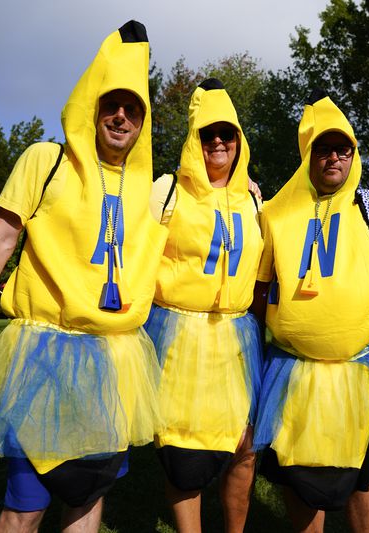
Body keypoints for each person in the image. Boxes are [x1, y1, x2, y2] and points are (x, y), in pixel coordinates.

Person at [0, 21, 167, 532]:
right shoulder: (46, 160)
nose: (120, 116)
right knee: (27, 500)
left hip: (116, 360)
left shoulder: (151, 190)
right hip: (45, 353)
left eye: (133, 108)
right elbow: (0, 236)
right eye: (111, 103)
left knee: (87, 496)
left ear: (143, 122)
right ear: (91, 105)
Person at [251, 90, 369, 532]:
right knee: (297, 475)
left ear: (354, 154)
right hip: (293, 369)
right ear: (308, 154)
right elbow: (259, 288)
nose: (333, 157)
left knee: (362, 476)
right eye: (324, 148)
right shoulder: (276, 212)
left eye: (343, 149)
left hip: (357, 370)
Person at [144, 79, 263, 532]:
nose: (218, 141)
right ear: (194, 139)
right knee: (183, 451)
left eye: (227, 133)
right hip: (179, 332)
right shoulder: (166, 190)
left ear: (239, 141)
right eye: (207, 133)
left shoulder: (253, 198)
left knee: (244, 446)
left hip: (236, 338)